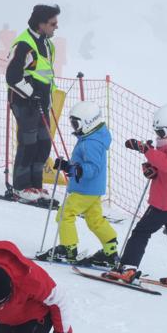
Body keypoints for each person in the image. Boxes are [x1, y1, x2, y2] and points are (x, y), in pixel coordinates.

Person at [104, 104, 167, 290]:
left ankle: (128, 268)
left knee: (141, 232)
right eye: (157, 131)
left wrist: (145, 149)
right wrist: (151, 169)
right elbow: (164, 168)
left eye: (162, 132)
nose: (159, 135)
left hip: (165, 202)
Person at [36, 101, 118, 267]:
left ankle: (69, 249)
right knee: (95, 220)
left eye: (76, 123)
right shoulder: (93, 137)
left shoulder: (91, 142)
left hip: (85, 189)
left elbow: (92, 168)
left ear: (88, 122)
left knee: (65, 214)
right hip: (93, 189)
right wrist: (68, 165)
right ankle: (110, 250)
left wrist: (74, 169)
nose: (74, 127)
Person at [5, 4, 61, 205]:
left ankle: (35, 184)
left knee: (43, 143)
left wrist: (44, 98)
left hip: (42, 104)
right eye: (53, 23)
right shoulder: (24, 44)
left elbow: (44, 74)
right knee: (28, 144)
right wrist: (31, 94)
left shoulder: (47, 44)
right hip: (24, 103)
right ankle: (21, 186)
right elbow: (12, 76)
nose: (56, 27)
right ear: (41, 24)